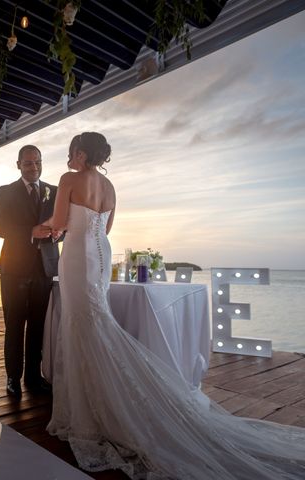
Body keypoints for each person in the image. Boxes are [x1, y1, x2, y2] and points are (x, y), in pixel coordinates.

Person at [45, 132, 305, 479]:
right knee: (97, 321)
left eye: (71, 152)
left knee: (82, 323)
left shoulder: (68, 179)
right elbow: (106, 227)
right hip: (101, 255)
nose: (69, 158)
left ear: (80, 152)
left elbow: (60, 223)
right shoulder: (110, 188)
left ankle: (89, 417)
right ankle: (106, 403)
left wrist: (45, 228)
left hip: (77, 253)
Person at [0, 145, 60, 397]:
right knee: (14, 325)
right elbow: (2, 228)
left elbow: (62, 224)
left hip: (44, 268)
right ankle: (12, 377)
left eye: (38, 162)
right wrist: (30, 232)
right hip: (14, 268)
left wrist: (59, 233)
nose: (34, 167)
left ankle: (33, 377)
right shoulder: (6, 191)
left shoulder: (53, 191)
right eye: (29, 163)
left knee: (37, 326)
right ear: (18, 164)